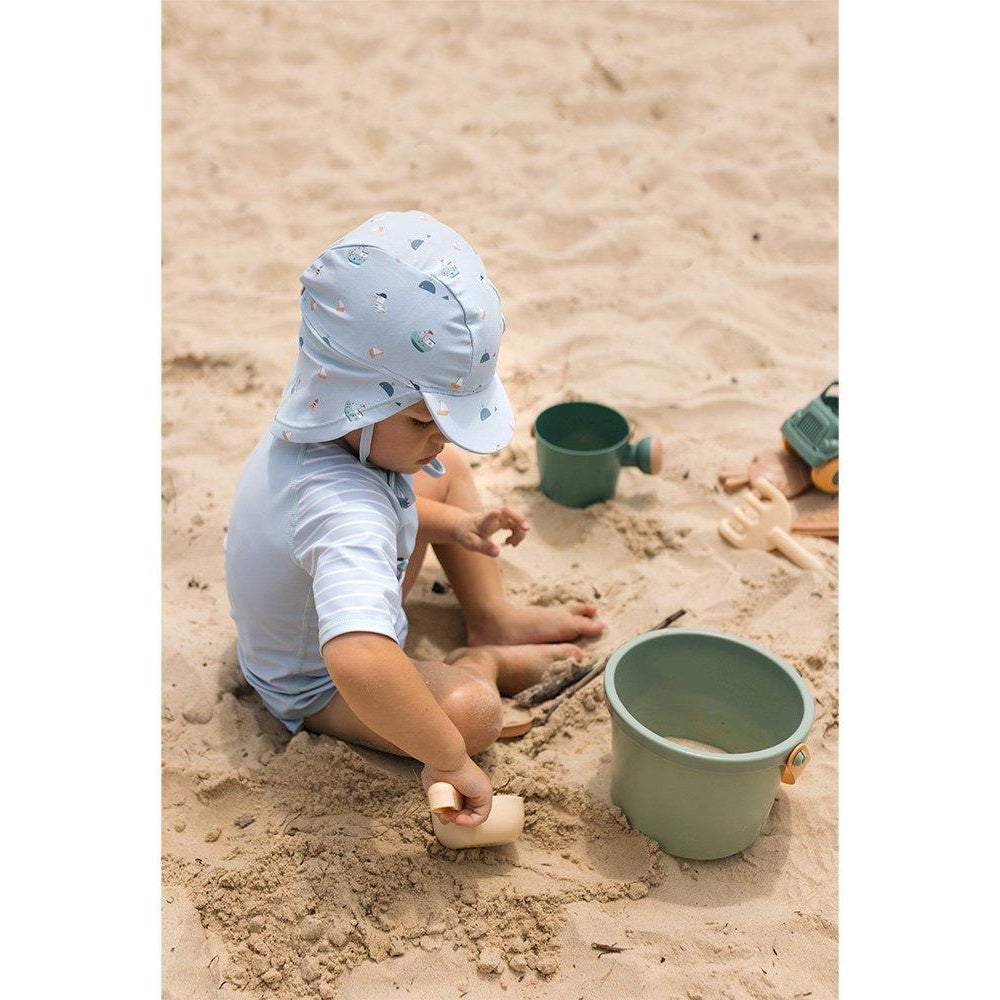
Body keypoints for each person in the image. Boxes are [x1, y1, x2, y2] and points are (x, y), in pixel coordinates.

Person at [225, 210, 604, 827]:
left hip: (325, 599)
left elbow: (375, 504)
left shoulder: (325, 421)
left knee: (445, 469)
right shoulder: (345, 514)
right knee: (474, 713)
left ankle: (491, 617)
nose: (436, 436)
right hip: (318, 681)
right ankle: (479, 660)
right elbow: (358, 659)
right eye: (423, 420)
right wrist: (449, 760)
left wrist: (454, 526)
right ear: (354, 398)